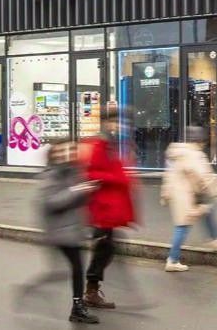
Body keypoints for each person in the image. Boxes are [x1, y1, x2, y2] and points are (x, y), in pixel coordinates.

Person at [38, 142, 99, 324]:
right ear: (54, 155)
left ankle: (77, 306)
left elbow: (79, 202)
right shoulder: (51, 175)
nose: (67, 154)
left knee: (73, 269)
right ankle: (76, 307)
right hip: (60, 231)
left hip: (72, 229)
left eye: (71, 150)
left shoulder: (73, 171)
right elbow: (52, 202)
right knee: (73, 269)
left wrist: (87, 190)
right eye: (62, 151)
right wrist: (76, 190)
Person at [80, 108, 135, 309]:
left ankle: (91, 289)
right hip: (102, 208)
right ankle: (90, 291)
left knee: (107, 248)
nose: (118, 125)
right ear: (106, 122)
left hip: (109, 209)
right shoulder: (99, 144)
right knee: (104, 249)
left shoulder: (109, 143)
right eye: (114, 121)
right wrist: (118, 177)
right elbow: (92, 173)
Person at [161, 126, 217, 272]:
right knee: (182, 227)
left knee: (206, 211)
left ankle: (216, 239)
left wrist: (165, 194)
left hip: (179, 195)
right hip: (188, 196)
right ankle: (173, 260)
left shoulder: (176, 153)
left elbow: (168, 176)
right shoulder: (195, 155)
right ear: (200, 141)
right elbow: (205, 176)